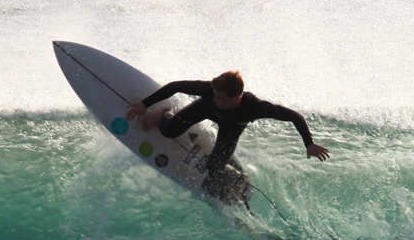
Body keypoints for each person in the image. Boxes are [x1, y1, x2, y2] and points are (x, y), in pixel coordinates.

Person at [126, 69, 329, 199]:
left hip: (232, 126)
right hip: (202, 110)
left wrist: (309, 144)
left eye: (221, 98)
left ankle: (233, 184)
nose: (216, 99)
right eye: (215, 94)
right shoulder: (210, 93)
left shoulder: (255, 107)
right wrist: (144, 104)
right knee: (168, 131)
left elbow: (294, 116)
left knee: (215, 168)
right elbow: (175, 86)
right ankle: (164, 113)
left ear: (237, 97)